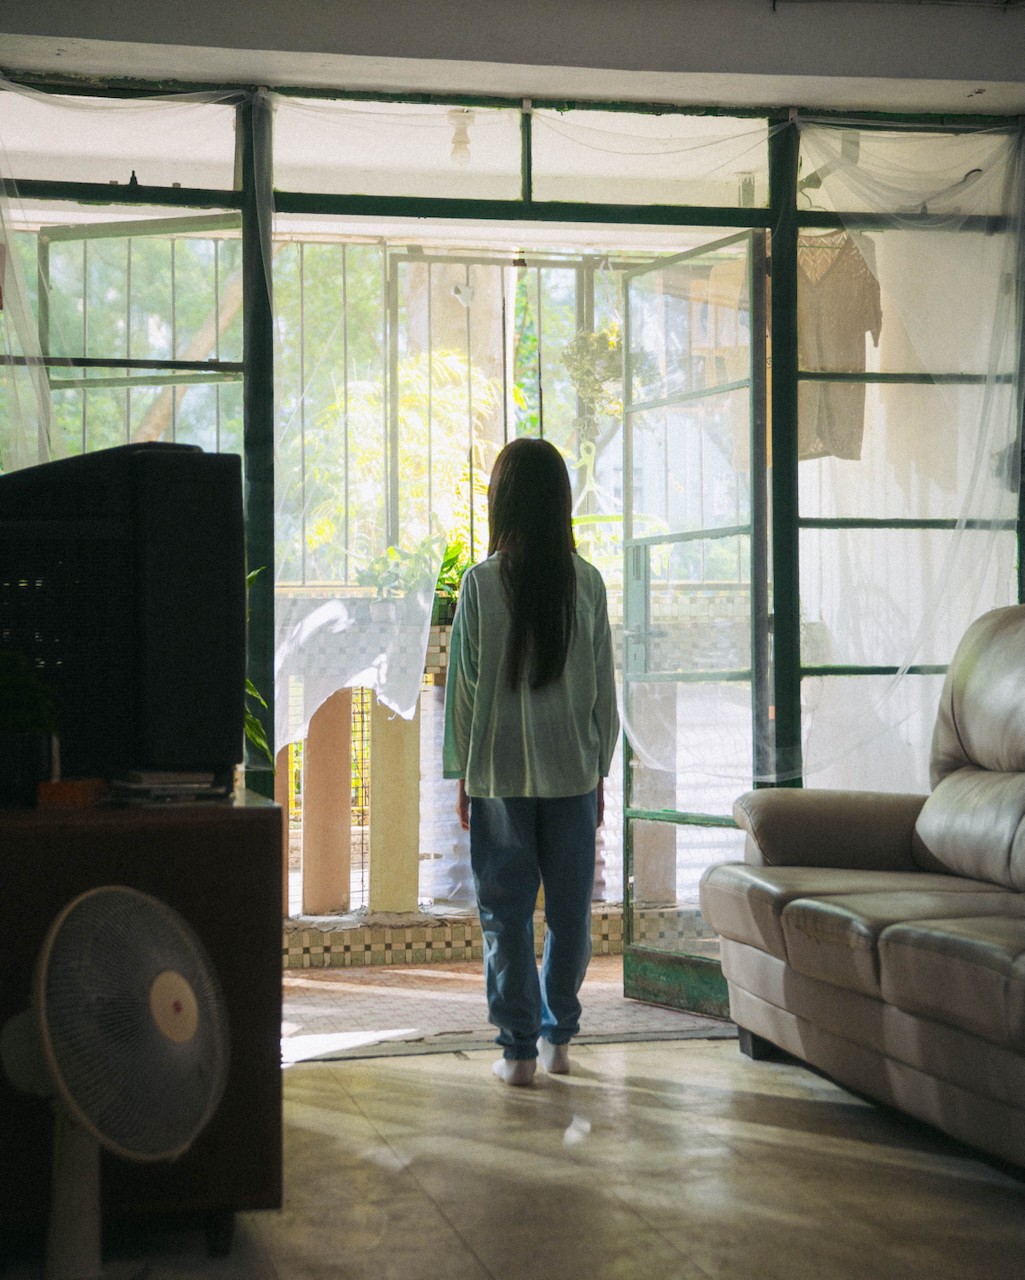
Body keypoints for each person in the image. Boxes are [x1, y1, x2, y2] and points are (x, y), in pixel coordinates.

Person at [443, 437, 619, 1086]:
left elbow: (464, 691)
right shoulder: (588, 584)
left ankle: (516, 1051)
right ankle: (558, 1040)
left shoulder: (481, 585)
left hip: (499, 774)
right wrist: (599, 767)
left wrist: (463, 774)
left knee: (506, 914)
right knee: (570, 911)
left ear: (502, 503)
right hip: (571, 771)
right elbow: (603, 687)